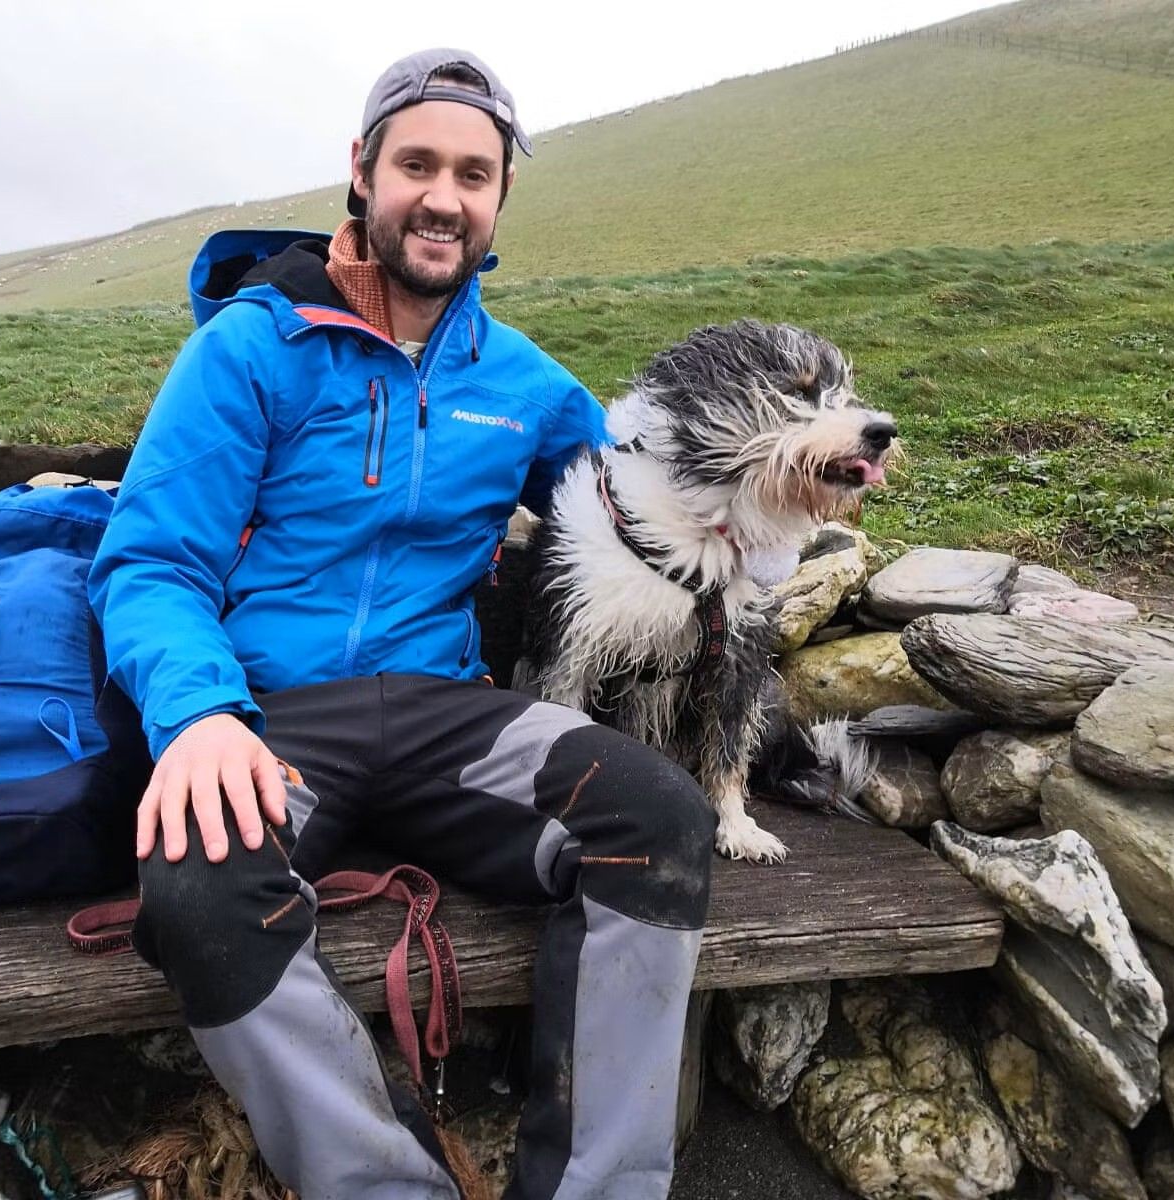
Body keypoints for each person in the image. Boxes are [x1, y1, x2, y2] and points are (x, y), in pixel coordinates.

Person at [89, 48, 717, 1200]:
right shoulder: (250, 348)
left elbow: (639, 507)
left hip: (449, 720)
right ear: (363, 174)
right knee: (197, 888)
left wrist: (779, 481)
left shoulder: (521, 382)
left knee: (659, 820)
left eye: (474, 174)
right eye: (417, 163)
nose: (444, 195)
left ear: (497, 203)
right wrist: (197, 717)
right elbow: (150, 564)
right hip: (272, 718)